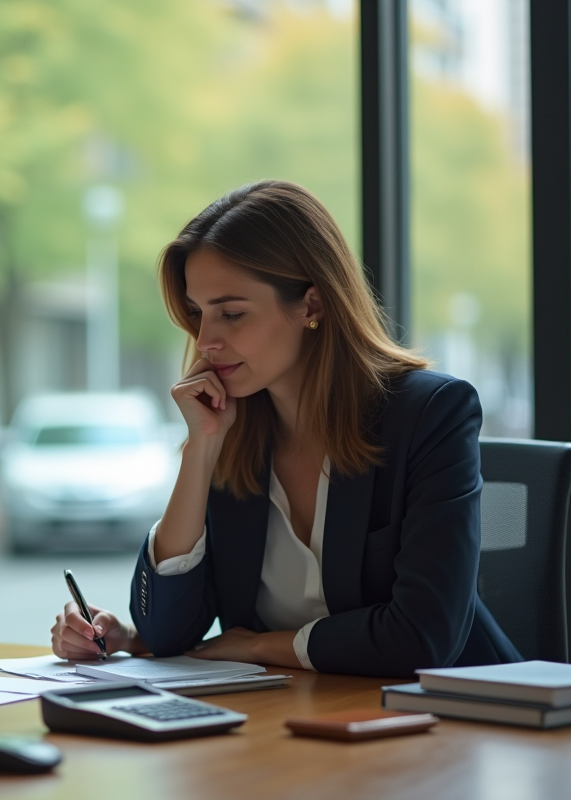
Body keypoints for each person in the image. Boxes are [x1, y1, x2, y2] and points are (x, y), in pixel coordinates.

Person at [51, 180, 521, 677]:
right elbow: (168, 632)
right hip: (291, 722)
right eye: (197, 313)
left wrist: (262, 647)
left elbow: (422, 638)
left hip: (449, 722)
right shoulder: (232, 426)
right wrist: (199, 451)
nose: (206, 340)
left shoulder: (428, 415)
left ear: (312, 306)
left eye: (231, 313)